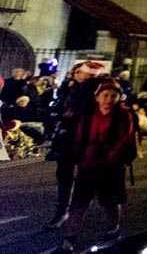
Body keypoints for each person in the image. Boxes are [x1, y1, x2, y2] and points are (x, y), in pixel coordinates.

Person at [55, 79, 135, 254]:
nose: (109, 100)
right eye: (105, 95)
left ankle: (113, 228)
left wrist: (109, 160)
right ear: (97, 97)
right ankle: (69, 240)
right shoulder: (88, 116)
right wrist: (81, 160)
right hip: (88, 165)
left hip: (111, 167)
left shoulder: (123, 116)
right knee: (78, 204)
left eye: (113, 96)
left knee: (110, 202)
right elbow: (79, 139)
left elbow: (123, 141)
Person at [46, 60, 104, 229]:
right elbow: (61, 108)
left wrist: (72, 115)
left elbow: (92, 112)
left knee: (84, 176)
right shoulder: (70, 89)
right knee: (64, 176)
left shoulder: (95, 90)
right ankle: (62, 212)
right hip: (66, 138)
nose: (79, 75)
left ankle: (77, 213)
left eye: (82, 72)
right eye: (76, 72)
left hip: (85, 137)